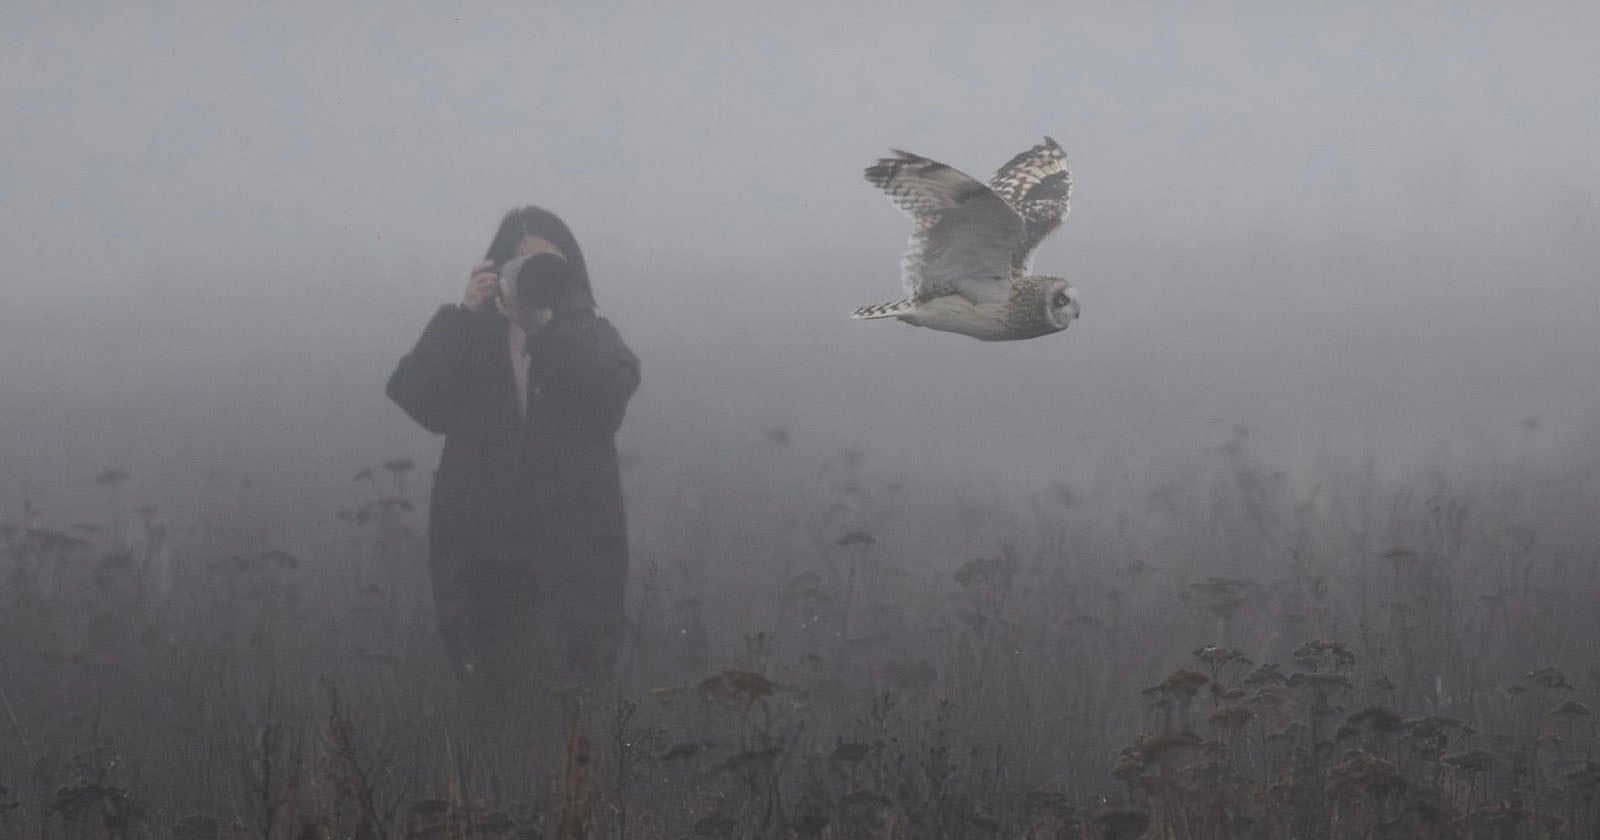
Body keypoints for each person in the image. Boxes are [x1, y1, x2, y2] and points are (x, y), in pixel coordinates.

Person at [386, 206, 640, 726]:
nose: (534, 275)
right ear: (496, 269)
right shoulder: (472, 338)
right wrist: (461, 314)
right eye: (521, 263)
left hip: (573, 552)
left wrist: (545, 332)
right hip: (483, 553)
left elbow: (609, 395)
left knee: (577, 702)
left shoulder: (589, 334)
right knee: (491, 703)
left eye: (550, 263)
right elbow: (415, 395)